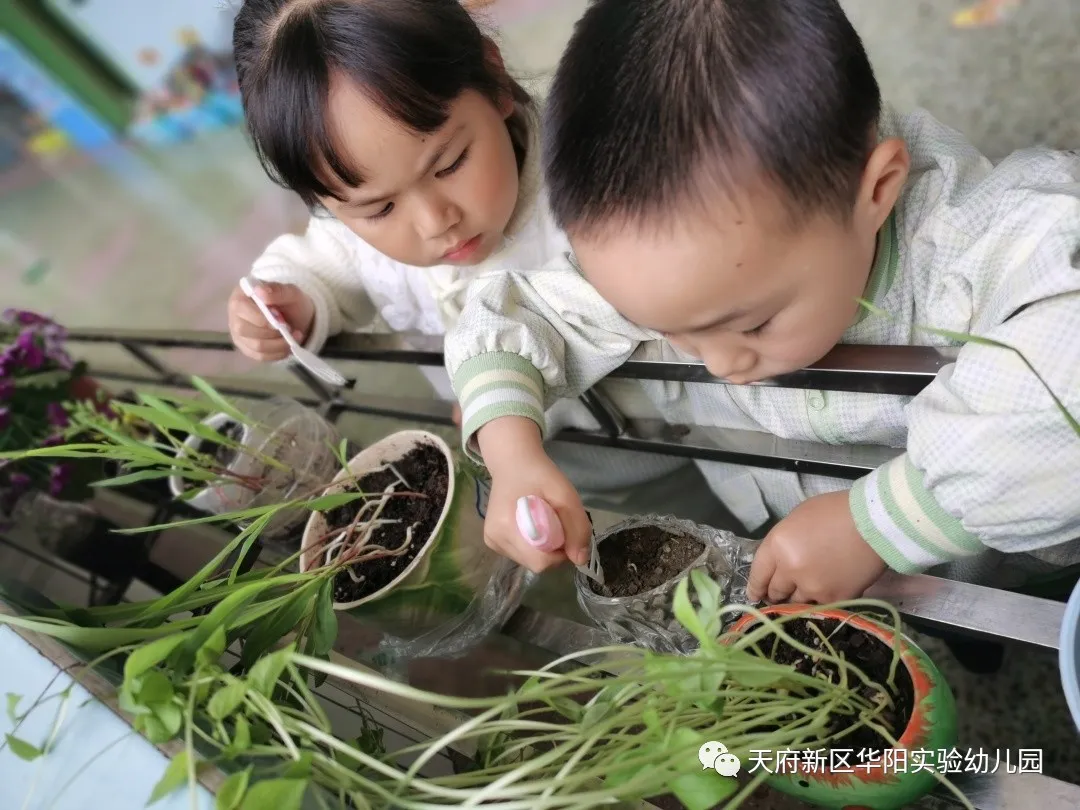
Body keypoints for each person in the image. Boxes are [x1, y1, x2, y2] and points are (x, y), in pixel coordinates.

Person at [444, 0, 1080, 603]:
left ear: (878, 190)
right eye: (667, 330)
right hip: (832, 556)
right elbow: (525, 310)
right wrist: (512, 451)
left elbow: (1063, 380)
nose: (719, 364)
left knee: (1013, 599)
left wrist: (877, 523)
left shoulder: (978, 246)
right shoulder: (689, 267)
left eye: (752, 324)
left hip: (1000, 542)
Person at [225, 0, 723, 522]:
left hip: (663, 450)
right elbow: (321, 264)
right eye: (381, 208)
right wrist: (289, 302)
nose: (435, 221)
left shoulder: (592, 180)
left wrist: (497, 405)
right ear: (324, 202)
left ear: (494, 78)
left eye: (451, 163)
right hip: (538, 474)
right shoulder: (349, 236)